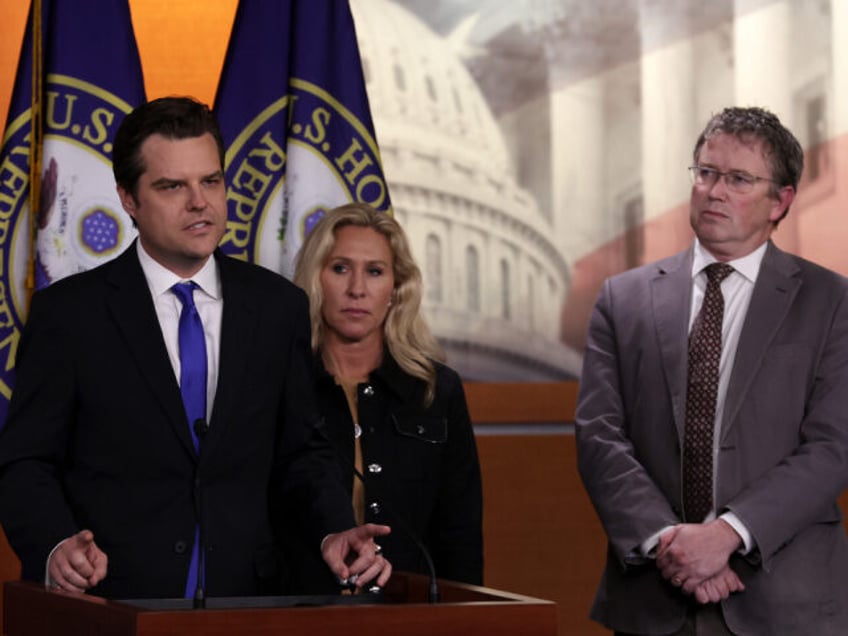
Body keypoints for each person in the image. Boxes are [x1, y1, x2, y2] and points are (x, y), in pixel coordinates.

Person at [0, 97, 391, 600]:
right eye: (172, 186)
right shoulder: (71, 316)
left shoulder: (277, 309)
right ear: (128, 199)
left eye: (211, 181)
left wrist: (333, 527)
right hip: (113, 601)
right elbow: (25, 462)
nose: (199, 202)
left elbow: (302, 453)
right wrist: (54, 545)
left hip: (248, 598)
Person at [575, 106, 848, 635]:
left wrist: (727, 534)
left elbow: (833, 446)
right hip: (654, 601)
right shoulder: (623, 299)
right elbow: (599, 438)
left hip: (785, 604)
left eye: (739, 179)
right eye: (705, 173)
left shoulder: (831, 302)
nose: (714, 192)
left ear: (781, 201)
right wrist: (669, 545)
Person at [283, 202, 483, 592]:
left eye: (375, 272)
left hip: (407, 614)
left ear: (396, 288)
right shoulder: (282, 384)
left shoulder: (435, 391)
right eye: (340, 268)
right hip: (297, 610)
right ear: (315, 280)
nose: (357, 289)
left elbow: (459, 535)